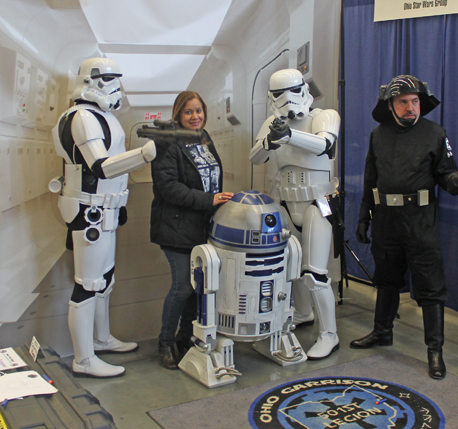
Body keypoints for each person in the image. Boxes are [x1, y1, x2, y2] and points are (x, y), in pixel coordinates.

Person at [351, 75, 458, 380]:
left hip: (420, 221)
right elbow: (371, 180)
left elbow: (448, 183)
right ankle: (382, 332)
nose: (411, 107)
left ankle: (434, 351)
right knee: (386, 278)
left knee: (430, 286)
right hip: (386, 219)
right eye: (404, 102)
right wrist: (363, 216)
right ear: (391, 105)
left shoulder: (435, 134)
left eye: (415, 101)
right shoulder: (378, 135)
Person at [51, 57, 157, 378]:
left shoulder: (102, 117)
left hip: (106, 208)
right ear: (92, 80)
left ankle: (101, 338)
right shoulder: (82, 117)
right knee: (89, 283)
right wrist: (142, 155)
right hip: (89, 210)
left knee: (105, 280)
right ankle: (83, 359)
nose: (116, 88)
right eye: (109, 79)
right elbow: (101, 166)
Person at [250, 69, 342, 359]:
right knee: (293, 269)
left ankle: (330, 335)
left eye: (292, 91)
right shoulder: (271, 122)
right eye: (279, 94)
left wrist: (288, 136)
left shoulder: (324, 116)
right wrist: (269, 141)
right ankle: (304, 313)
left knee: (315, 273)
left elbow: (325, 145)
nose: (287, 100)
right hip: (287, 202)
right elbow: (256, 157)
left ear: (304, 89)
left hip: (318, 202)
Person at [150, 91, 233, 370]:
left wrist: (217, 201)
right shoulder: (166, 141)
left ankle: (185, 338)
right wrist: (208, 200)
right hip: (175, 225)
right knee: (182, 287)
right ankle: (165, 342)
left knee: (198, 287)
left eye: (199, 111)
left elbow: (210, 175)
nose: (195, 116)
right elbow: (168, 187)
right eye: (188, 112)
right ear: (178, 114)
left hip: (202, 225)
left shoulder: (203, 137)